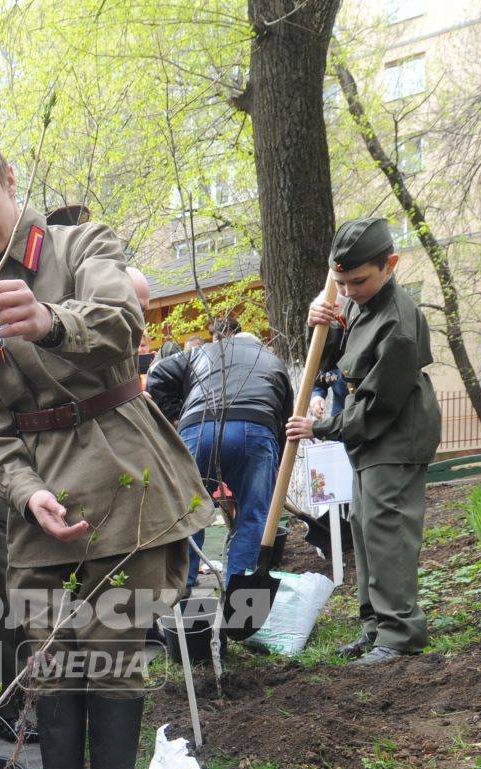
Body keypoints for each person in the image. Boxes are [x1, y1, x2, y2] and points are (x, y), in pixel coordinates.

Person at [0, 117, 210, 769]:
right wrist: (27, 492)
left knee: (113, 649)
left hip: (122, 467)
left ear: (10, 181)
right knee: (49, 658)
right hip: (41, 498)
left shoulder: (83, 247)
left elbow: (123, 325)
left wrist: (52, 322)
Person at [286, 216, 442, 665]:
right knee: (366, 528)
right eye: (341, 282)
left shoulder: (398, 325)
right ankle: (376, 629)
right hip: (372, 437)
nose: (349, 291)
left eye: (358, 281)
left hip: (396, 433)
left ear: (390, 265)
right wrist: (324, 321)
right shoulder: (359, 302)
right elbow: (337, 355)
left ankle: (400, 633)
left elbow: (376, 406)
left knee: (387, 529)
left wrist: (320, 428)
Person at [148, 314, 293, 582]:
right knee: (252, 516)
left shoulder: (203, 352)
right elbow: (286, 424)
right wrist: (276, 471)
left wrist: (176, 417)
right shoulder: (273, 362)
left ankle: (181, 594)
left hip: (199, 427)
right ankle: (241, 610)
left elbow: (157, 374)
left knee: (188, 512)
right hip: (255, 428)